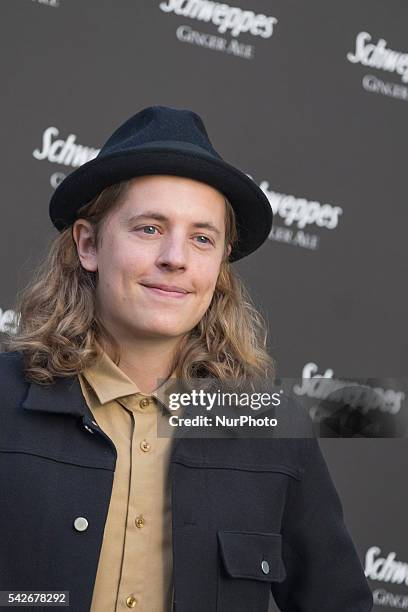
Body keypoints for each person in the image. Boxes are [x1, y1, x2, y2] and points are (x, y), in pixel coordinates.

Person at [0, 105, 373, 612]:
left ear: (218, 268)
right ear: (88, 244)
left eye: (202, 238)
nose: (175, 258)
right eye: (150, 228)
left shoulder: (272, 425)